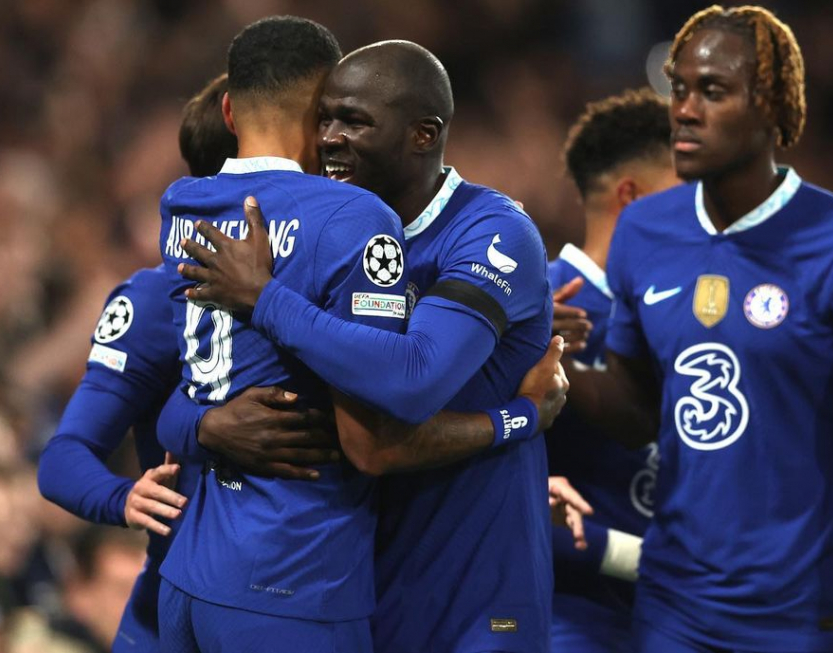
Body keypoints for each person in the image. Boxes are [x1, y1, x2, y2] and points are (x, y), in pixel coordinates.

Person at [175, 39, 559, 653]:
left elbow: (403, 397)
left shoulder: (491, 233)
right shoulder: (328, 234)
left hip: (475, 594)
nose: (329, 138)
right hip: (359, 582)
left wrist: (265, 299)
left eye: (354, 121)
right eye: (324, 118)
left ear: (423, 135)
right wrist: (206, 424)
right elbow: (190, 375)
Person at [562, 5, 833, 652]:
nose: (684, 111)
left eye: (712, 91)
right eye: (680, 89)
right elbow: (635, 413)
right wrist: (555, 358)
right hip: (672, 607)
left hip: (798, 613)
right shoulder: (644, 231)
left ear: (771, 107)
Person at [36, 69, 336, 653]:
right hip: (177, 610)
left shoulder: (330, 295)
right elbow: (63, 457)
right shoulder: (154, 300)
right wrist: (123, 497)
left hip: (306, 593)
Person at [545, 88, 677, 653]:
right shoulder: (533, 306)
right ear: (633, 197)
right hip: (569, 622)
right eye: (687, 194)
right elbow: (495, 497)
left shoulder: (682, 313)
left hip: (671, 623)